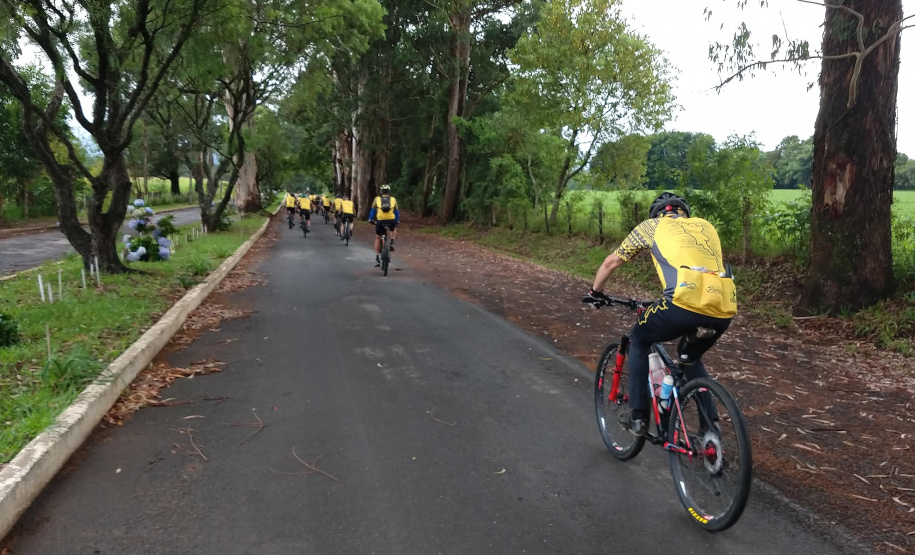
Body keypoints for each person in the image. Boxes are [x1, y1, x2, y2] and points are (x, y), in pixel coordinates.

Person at [583, 192, 737, 436]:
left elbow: (611, 262)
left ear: (657, 214)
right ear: (684, 212)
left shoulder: (651, 226)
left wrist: (595, 292)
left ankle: (638, 417)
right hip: (722, 307)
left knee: (638, 339)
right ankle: (711, 431)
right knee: (690, 357)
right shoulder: (705, 226)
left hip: (681, 304)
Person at [368, 184, 399, 266]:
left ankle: (377, 256)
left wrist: (370, 219)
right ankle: (392, 241)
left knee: (378, 237)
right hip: (391, 220)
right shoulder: (393, 199)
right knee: (393, 228)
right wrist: (397, 220)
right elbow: (396, 211)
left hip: (380, 220)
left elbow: (373, 210)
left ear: (381, 192)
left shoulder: (377, 199)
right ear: (389, 192)